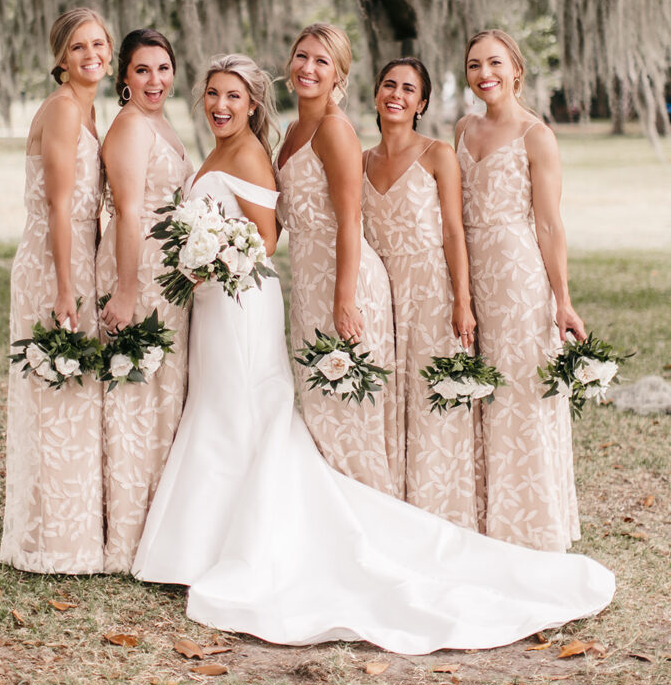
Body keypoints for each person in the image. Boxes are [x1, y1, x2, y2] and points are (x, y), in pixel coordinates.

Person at [132, 53, 614, 654]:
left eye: (322, 61)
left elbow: (326, 227)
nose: (222, 104)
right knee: (254, 411)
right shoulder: (298, 145)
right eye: (213, 92)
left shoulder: (346, 134)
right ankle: (221, 532)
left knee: (296, 410)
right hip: (279, 292)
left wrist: (351, 296)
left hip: (328, 290)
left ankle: (349, 526)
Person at [456, 29, 584, 551]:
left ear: (516, 69)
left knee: (520, 391)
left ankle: (531, 524)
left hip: (516, 276)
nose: (484, 74)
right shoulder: (462, 128)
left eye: (494, 63)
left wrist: (563, 300)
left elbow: (550, 225)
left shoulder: (537, 136)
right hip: (469, 273)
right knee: (481, 389)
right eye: (473, 65)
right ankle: (487, 518)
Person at [0, 7, 112, 573]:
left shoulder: (90, 112)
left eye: (98, 44)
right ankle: (52, 541)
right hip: (53, 266)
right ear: (60, 59)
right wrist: (67, 288)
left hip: (79, 264)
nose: (91, 55)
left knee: (73, 393)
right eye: (77, 48)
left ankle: (74, 530)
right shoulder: (65, 111)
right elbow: (59, 205)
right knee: (57, 396)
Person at [275, 24, 401, 497]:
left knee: (348, 414)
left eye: (321, 61)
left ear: (339, 75)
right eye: (302, 56)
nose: (309, 68)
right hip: (308, 287)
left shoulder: (334, 129)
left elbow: (351, 220)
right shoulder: (292, 131)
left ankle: (368, 518)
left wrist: (344, 300)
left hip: (345, 283)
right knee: (320, 410)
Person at [362, 58, 479, 529]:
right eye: (389, 85)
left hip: (430, 288)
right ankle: (393, 511)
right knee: (389, 397)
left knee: (429, 397)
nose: (396, 94)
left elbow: (454, 230)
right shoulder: (361, 158)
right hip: (380, 292)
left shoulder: (437, 154)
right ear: (376, 95)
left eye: (408, 89)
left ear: (422, 103)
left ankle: (440, 515)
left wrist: (462, 300)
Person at [96, 29, 193, 572]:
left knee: (161, 394)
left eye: (162, 68)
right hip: (139, 271)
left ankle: (160, 523)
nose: (155, 80)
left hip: (168, 276)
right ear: (124, 80)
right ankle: (129, 533)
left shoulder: (160, 122)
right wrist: (127, 291)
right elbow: (128, 211)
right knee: (136, 398)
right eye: (142, 70)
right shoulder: (131, 127)